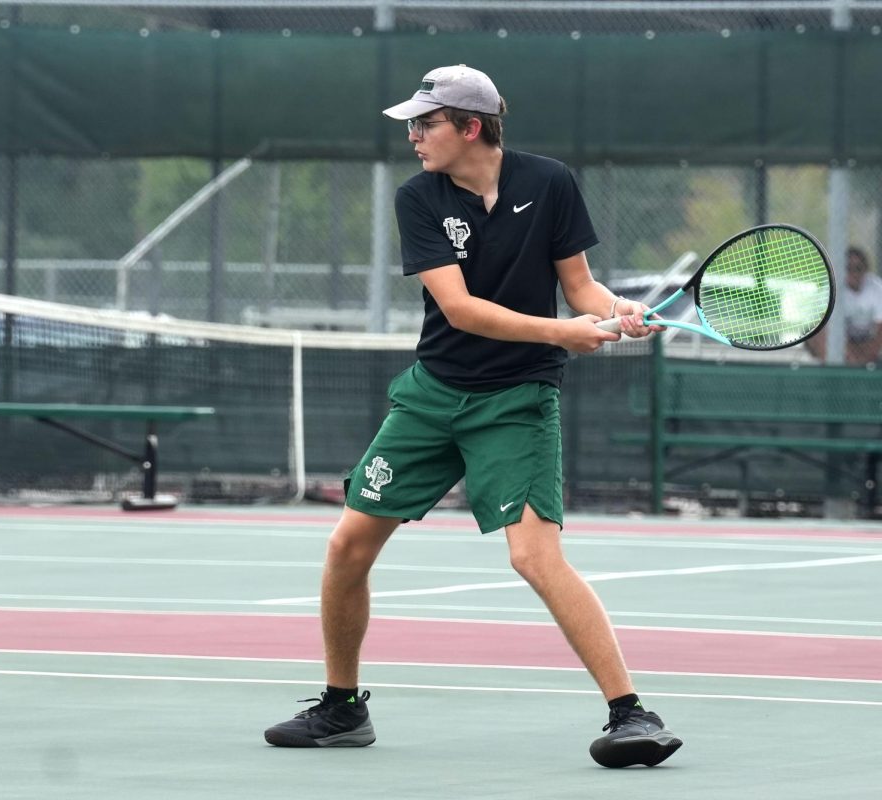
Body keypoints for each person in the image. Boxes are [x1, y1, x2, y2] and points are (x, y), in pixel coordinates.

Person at [263, 65, 682, 769]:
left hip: (516, 403)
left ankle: (630, 715)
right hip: (432, 395)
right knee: (346, 548)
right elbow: (460, 310)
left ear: (471, 127)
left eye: (425, 124)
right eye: (411, 124)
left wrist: (617, 313)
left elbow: (577, 285)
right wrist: (566, 332)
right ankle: (341, 709)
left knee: (534, 557)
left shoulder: (548, 183)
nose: (412, 135)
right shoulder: (418, 198)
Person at [805, 246, 882, 365]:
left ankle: (862, 367)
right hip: (842, 341)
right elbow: (825, 327)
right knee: (814, 335)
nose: (854, 273)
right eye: (848, 268)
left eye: (858, 268)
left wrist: (867, 355)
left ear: (866, 270)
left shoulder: (877, 288)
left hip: (867, 340)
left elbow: (880, 330)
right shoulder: (831, 289)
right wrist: (850, 355)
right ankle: (835, 370)